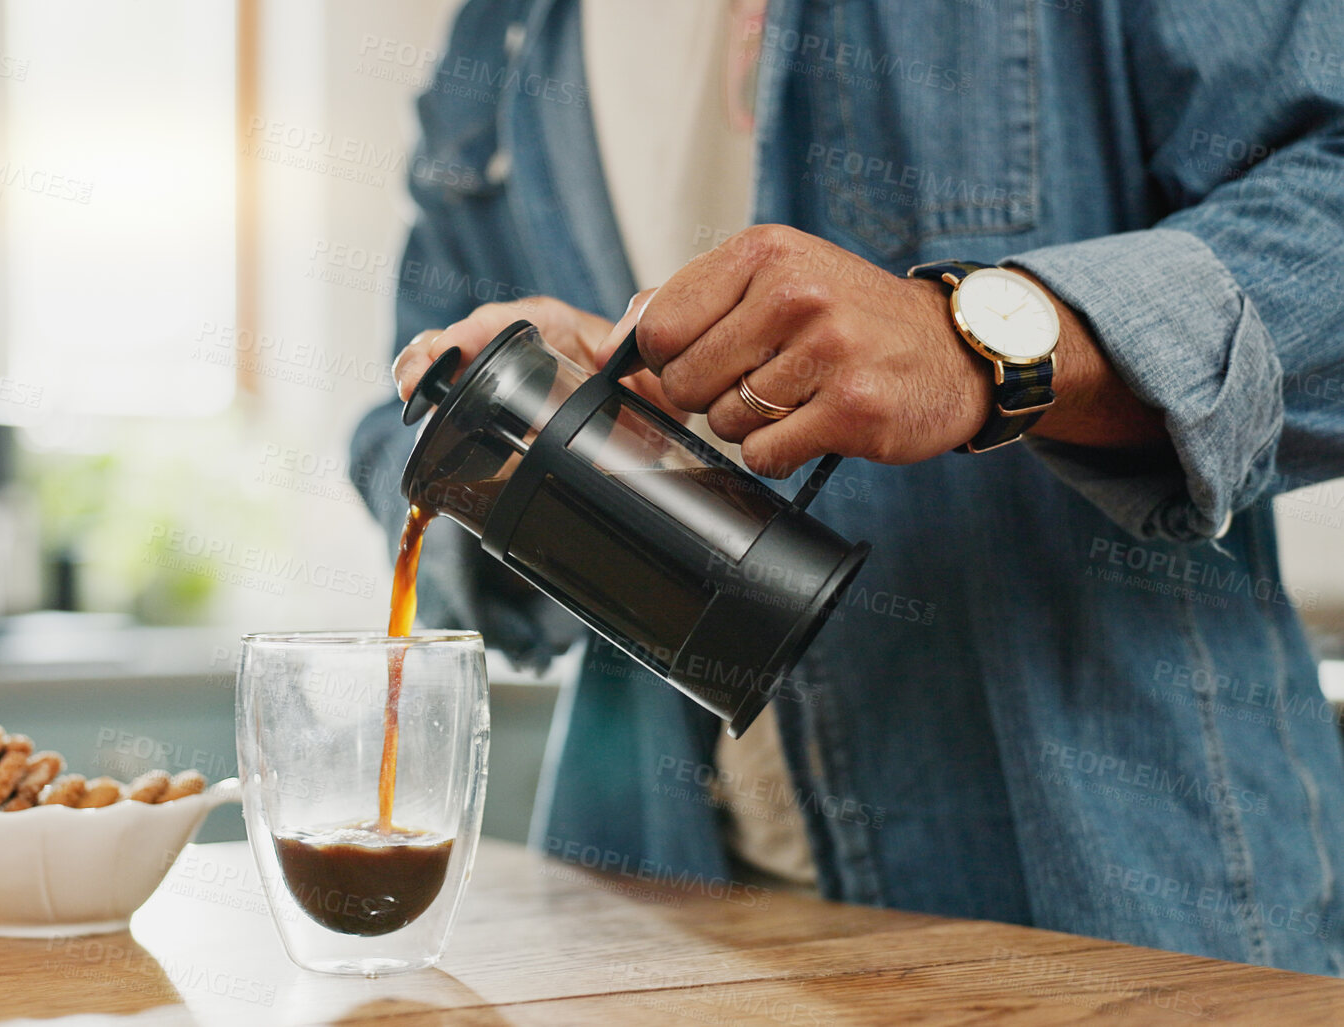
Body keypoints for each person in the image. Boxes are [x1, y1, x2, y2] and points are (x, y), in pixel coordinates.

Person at [351, 0, 1344, 974]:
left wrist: (983, 341)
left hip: (1106, 912)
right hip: (668, 914)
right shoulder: (506, 30)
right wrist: (528, 459)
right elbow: (397, 408)